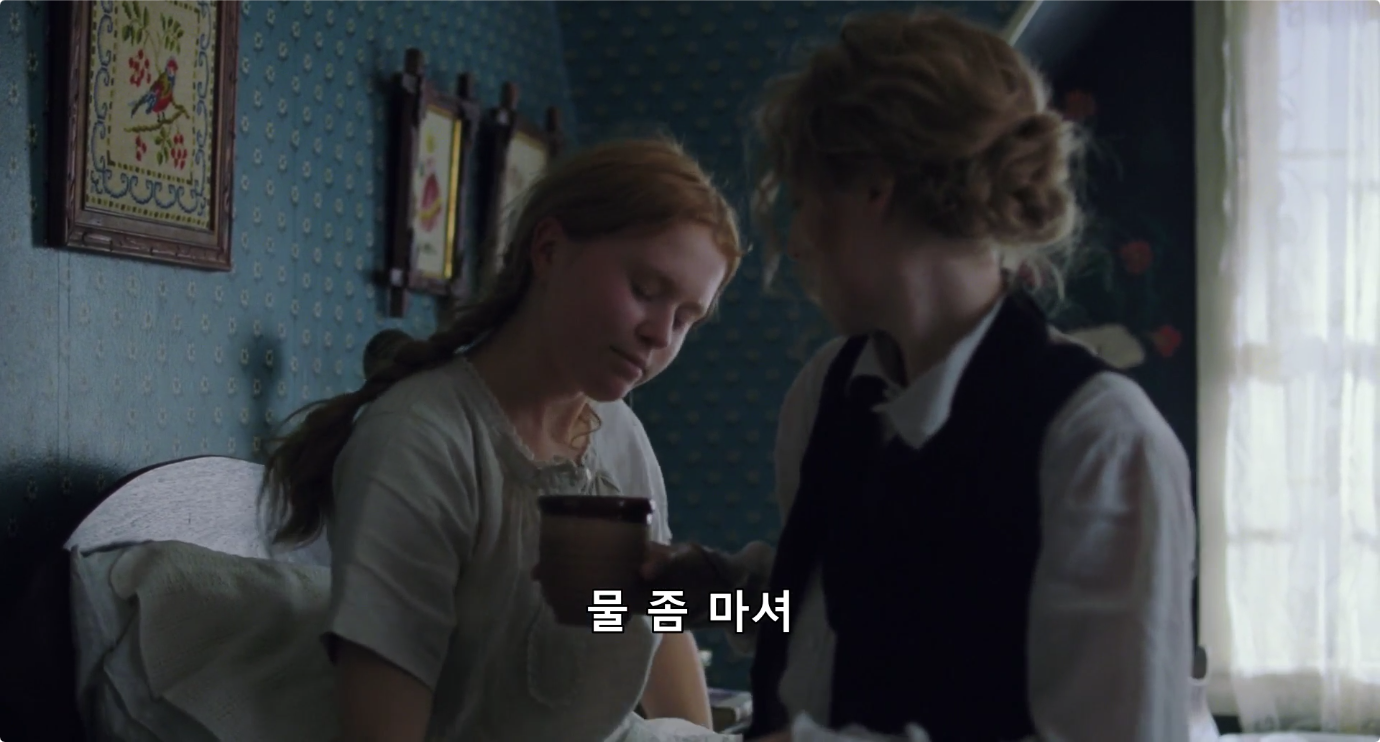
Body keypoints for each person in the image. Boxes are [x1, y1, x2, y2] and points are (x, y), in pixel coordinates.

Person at [642, 10, 1195, 742]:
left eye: (804, 201)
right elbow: (826, 619)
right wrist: (686, 596)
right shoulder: (828, 391)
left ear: (874, 187)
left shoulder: (1098, 442)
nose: (797, 243)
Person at [262, 137, 745, 742]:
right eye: (646, 290)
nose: (660, 336)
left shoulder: (617, 433)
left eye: (686, 319)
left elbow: (653, 617)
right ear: (549, 249)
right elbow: (386, 713)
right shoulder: (420, 442)